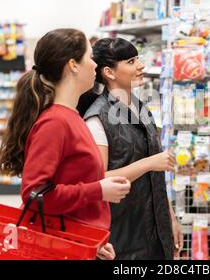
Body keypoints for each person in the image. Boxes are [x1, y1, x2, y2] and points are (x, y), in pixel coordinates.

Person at [0, 29, 131, 260]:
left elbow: (68, 181)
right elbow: (34, 194)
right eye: (90, 57)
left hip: (72, 243)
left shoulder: (72, 116)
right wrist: (98, 190)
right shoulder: (55, 122)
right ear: (73, 65)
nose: (95, 64)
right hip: (56, 249)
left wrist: (91, 244)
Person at [77, 38, 183, 260]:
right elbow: (97, 180)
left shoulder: (140, 108)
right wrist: (149, 163)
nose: (141, 66)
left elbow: (155, 178)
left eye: (138, 59)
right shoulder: (97, 119)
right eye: (131, 61)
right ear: (109, 72)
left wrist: (170, 217)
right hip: (123, 236)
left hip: (155, 230)